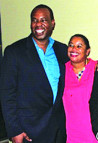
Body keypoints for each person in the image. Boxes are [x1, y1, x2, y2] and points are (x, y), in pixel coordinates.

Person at [0, 4, 68, 143]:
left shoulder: (62, 50)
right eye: (34, 20)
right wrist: (14, 130)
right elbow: (7, 94)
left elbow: (81, 66)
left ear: (52, 23)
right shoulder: (14, 52)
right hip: (28, 131)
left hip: (58, 130)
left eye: (43, 20)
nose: (38, 24)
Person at [63, 34, 98, 143]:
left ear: (87, 51)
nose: (74, 49)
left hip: (95, 133)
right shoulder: (61, 70)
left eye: (79, 46)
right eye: (71, 45)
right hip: (71, 134)